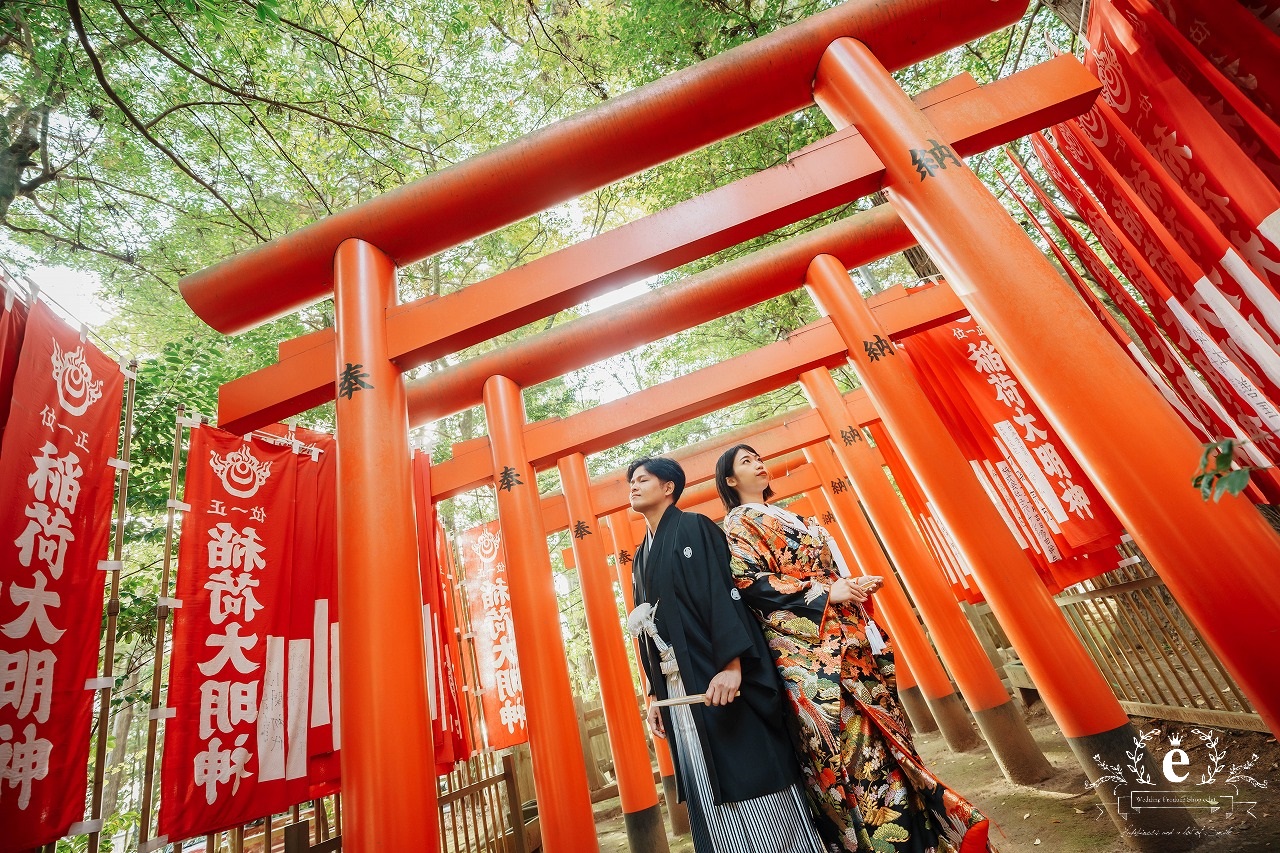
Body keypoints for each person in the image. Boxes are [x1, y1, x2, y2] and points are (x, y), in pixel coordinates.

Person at [715, 443, 993, 853]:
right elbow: (748, 583)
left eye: (759, 456)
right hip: (809, 657)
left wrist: (851, 587)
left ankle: (927, 841)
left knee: (889, 740)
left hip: (850, 641)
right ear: (730, 480)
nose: (759, 463)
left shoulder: (793, 517)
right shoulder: (736, 526)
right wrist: (827, 591)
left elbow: (825, 576)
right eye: (746, 462)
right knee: (850, 749)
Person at [625, 455, 826, 853]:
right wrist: (654, 695)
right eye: (630, 481)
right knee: (703, 777)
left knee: (744, 770)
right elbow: (647, 628)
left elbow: (721, 594)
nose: (633, 485)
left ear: (669, 488)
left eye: (642, 479)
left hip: (716, 675)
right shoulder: (641, 555)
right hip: (678, 690)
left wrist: (733, 665)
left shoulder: (694, 527)